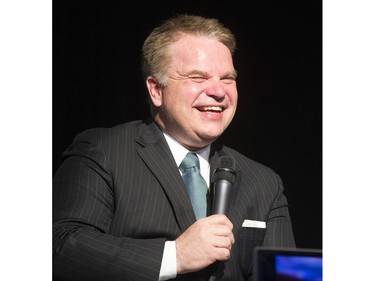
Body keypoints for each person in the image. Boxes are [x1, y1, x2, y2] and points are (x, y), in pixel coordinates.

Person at [53, 14, 296, 281]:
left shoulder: (264, 183)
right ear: (156, 90)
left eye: (228, 78)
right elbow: (60, 248)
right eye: (198, 77)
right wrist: (176, 255)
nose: (218, 91)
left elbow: (285, 275)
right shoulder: (103, 151)